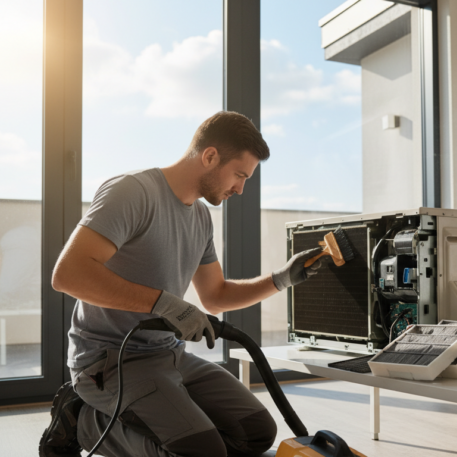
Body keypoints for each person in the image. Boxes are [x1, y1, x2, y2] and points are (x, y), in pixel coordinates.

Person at [39, 111, 323, 457]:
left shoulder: (200, 218)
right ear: (209, 156)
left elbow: (215, 296)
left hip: (168, 354)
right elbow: (68, 274)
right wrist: (165, 304)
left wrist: (281, 279)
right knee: (202, 452)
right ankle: (83, 421)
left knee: (256, 434)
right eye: (239, 175)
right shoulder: (133, 192)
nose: (240, 189)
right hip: (109, 361)